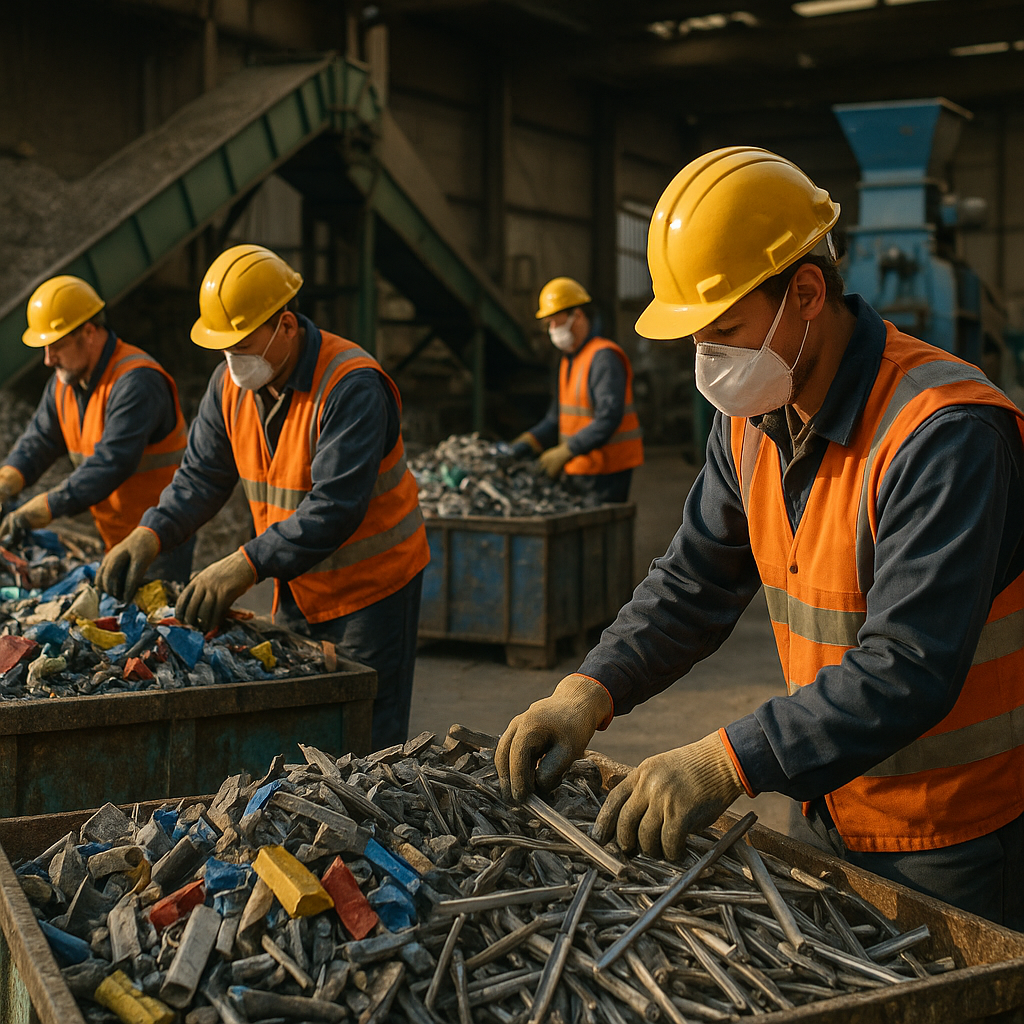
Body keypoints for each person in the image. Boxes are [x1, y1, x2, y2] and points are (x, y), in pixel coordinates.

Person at [496, 148, 1024, 930]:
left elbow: (909, 665)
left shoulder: (944, 434)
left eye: (725, 330)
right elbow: (693, 583)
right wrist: (589, 689)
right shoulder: (750, 422)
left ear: (806, 292)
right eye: (697, 337)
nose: (709, 361)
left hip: (954, 832)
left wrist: (724, 760)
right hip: (827, 799)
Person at [96, 244, 430, 749]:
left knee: (367, 743)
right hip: (296, 582)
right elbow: (201, 478)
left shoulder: (351, 385)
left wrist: (243, 564)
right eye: (224, 346)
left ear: (287, 327)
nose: (233, 358)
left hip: (373, 591)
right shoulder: (230, 386)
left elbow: (335, 507)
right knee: (306, 734)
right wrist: (151, 531)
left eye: (243, 341)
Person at [0, 275, 192, 581]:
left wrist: (49, 505)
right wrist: (9, 477)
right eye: (45, 348)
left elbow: (112, 462)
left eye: (57, 347)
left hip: (159, 539)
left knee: (157, 621)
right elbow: (39, 440)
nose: (48, 360)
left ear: (88, 332)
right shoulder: (66, 382)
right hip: (115, 535)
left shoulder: (137, 382)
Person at [511, 277, 643, 503]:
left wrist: (566, 451)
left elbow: (608, 418)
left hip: (607, 472)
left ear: (578, 316)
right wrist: (528, 441)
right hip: (580, 468)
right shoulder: (568, 361)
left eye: (555, 322)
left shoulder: (604, 358)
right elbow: (556, 418)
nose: (552, 330)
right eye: (549, 324)